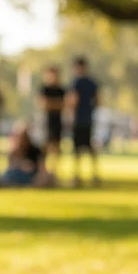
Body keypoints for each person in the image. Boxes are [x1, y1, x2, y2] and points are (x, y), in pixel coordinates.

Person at [65, 56, 101, 187]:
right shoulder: (92, 82)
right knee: (89, 147)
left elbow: (73, 100)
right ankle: (94, 175)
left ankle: (76, 176)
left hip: (79, 120)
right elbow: (97, 100)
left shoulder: (76, 82)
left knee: (77, 149)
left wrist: (70, 115)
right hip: (88, 119)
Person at [0, 123, 53, 187]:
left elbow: (42, 168)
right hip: (17, 175)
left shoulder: (36, 151)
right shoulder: (14, 151)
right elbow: (11, 166)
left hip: (32, 176)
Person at [37, 65, 66, 180]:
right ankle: (43, 173)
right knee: (44, 149)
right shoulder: (44, 89)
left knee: (56, 149)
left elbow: (65, 104)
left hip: (57, 123)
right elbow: (43, 104)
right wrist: (56, 104)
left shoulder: (61, 90)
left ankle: (54, 174)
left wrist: (52, 104)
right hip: (45, 123)